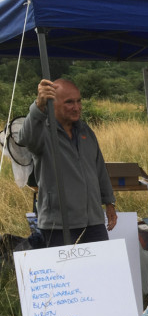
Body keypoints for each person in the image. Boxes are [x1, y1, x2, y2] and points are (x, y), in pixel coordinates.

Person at [18, 78, 117, 247]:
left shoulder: (85, 131)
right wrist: (38, 106)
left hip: (93, 222)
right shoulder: (43, 132)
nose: (76, 107)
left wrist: (109, 203)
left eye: (79, 101)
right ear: (52, 103)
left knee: (99, 271)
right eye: (69, 102)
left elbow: (99, 169)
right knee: (67, 273)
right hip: (58, 225)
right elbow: (25, 138)